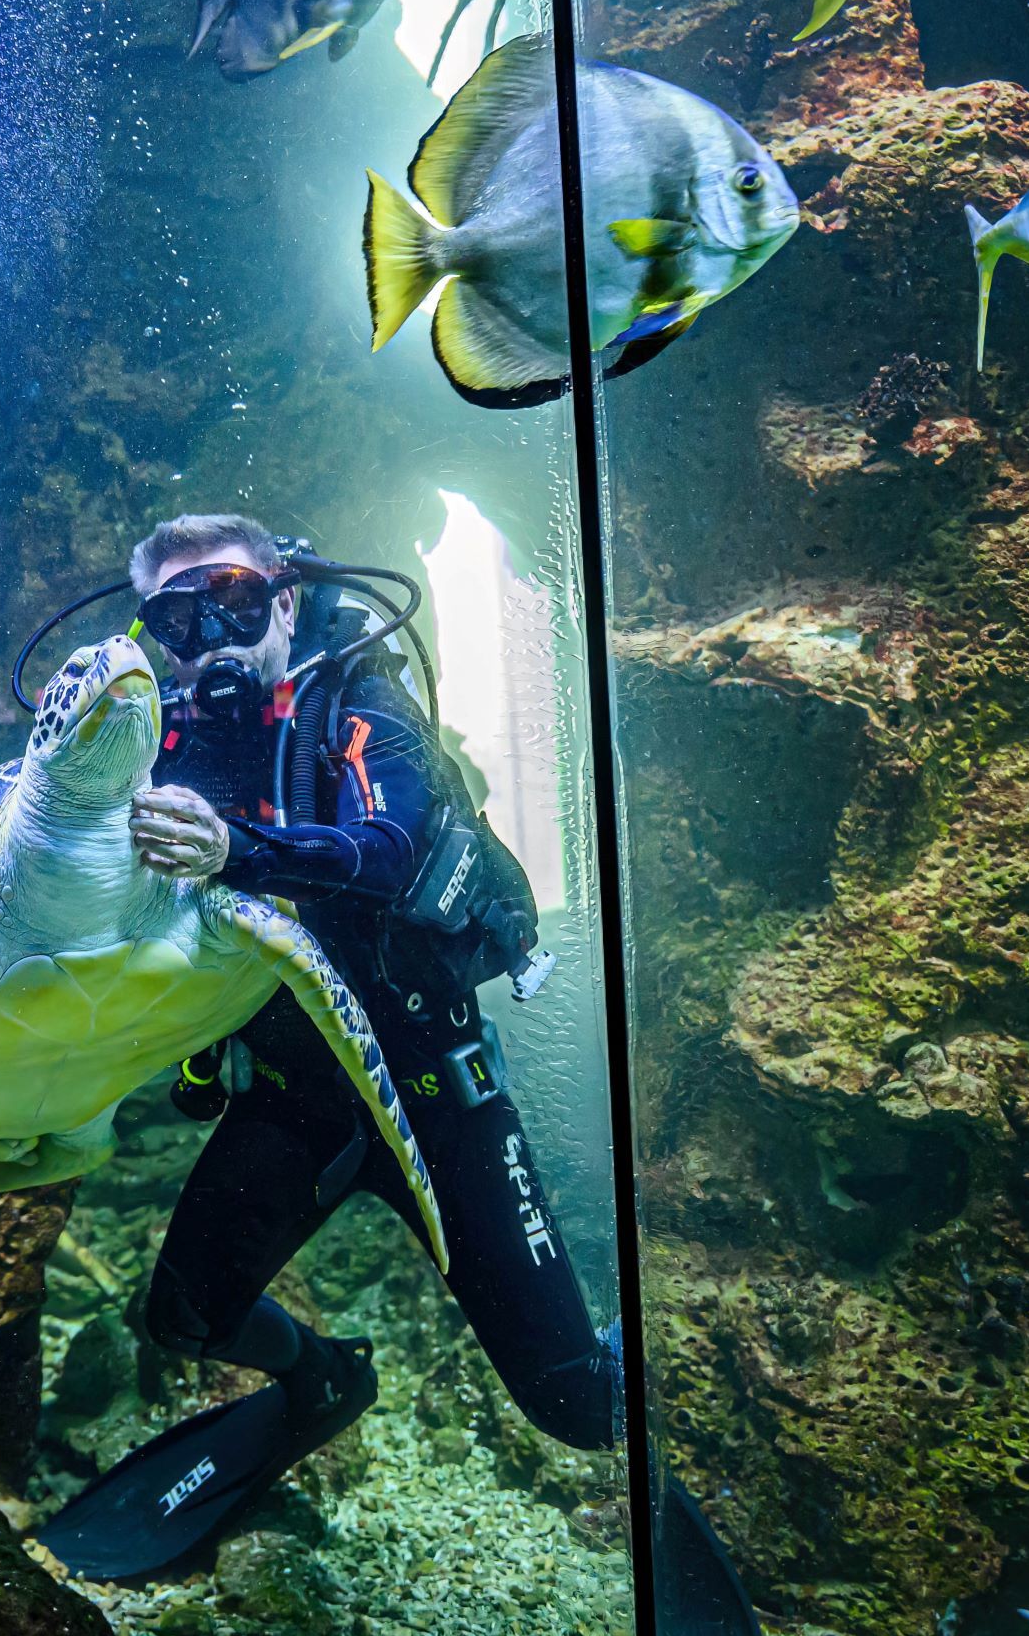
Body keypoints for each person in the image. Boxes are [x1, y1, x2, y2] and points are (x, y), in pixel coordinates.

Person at [39, 512, 615, 1580]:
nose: (210, 631)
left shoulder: (355, 688)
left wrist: (235, 848)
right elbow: (55, 851)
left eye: (235, 599)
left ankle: (640, 1381)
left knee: (578, 1406)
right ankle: (324, 1379)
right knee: (185, 1314)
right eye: (178, 614)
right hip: (298, 1098)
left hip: (434, 1085)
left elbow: (390, 849)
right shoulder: (155, 733)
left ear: (286, 602)